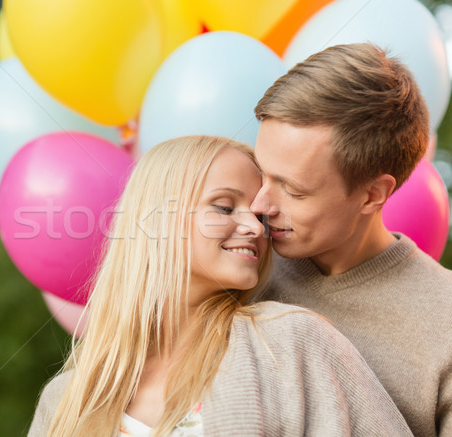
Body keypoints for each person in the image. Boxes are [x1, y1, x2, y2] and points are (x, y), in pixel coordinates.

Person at [27, 135, 412, 436]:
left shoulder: (290, 342)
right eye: (225, 207)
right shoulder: (65, 400)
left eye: (259, 215)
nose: (254, 227)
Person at [251, 43, 452, 437]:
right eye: (261, 173)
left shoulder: (444, 324)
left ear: (372, 194)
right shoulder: (236, 263)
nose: (260, 204)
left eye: (292, 189)